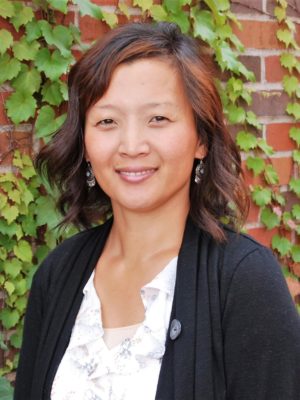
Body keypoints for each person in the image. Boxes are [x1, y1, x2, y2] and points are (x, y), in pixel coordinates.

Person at [14, 22, 300, 400]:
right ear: (84, 143)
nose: (132, 145)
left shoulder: (243, 281)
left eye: (158, 119)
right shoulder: (58, 275)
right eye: (107, 121)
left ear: (200, 138)